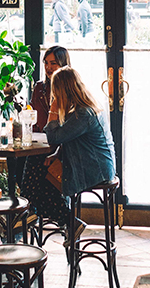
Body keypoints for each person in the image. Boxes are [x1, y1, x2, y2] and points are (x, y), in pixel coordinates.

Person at [21, 46, 83, 243]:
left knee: (37, 171)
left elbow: (68, 129)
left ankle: (30, 211)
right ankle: (67, 222)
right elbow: (36, 121)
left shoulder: (71, 89)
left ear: (63, 64)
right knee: (33, 163)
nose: (48, 67)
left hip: (66, 147)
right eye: (46, 63)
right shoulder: (40, 88)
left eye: (53, 63)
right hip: (46, 143)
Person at [44, 66, 117, 199]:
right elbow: (69, 137)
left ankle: (60, 211)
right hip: (101, 165)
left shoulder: (83, 114)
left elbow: (53, 137)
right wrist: (57, 154)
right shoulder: (86, 106)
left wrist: (53, 108)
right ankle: (59, 210)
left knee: (40, 173)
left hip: (97, 170)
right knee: (43, 170)